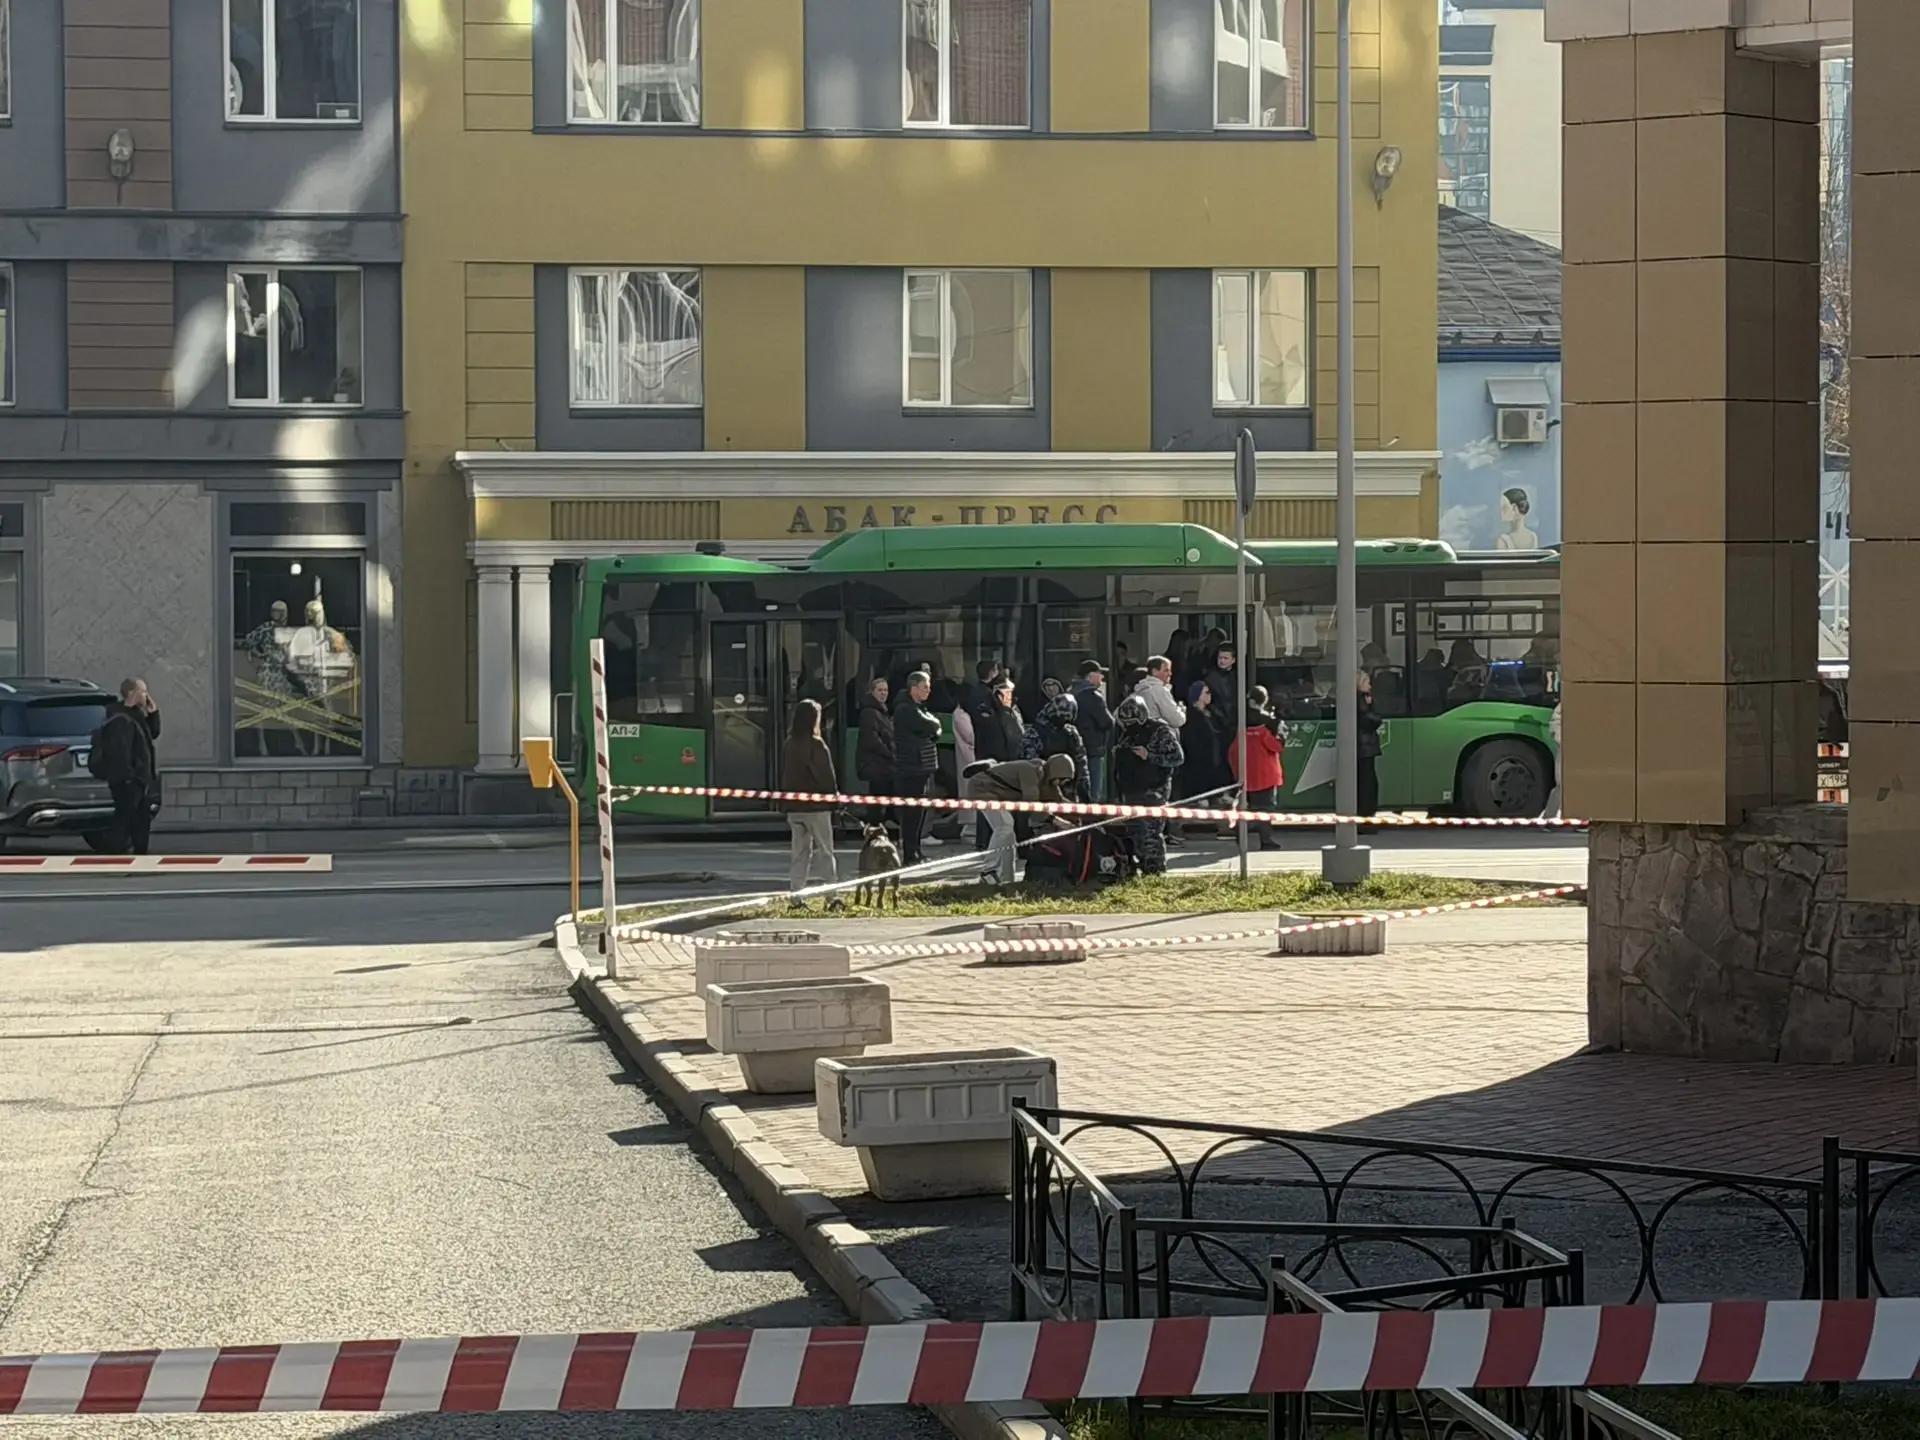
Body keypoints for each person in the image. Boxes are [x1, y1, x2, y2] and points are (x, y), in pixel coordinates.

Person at [964, 753, 1076, 885]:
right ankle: (989, 870)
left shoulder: (1044, 777)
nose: (1062, 783)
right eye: (1061, 779)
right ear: (1054, 773)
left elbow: (1060, 801)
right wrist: (1058, 821)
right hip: (981, 788)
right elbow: (1032, 805)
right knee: (1004, 825)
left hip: (995, 793)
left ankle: (1006, 877)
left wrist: (1083, 812)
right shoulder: (1029, 772)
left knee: (1009, 834)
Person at [1111, 694, 1184, 876]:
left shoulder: (1160, 731)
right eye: (1126, 722)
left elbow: (1177, 758)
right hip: (1131, 789)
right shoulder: (1126, 734)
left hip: (1154, 788)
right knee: (1135, 831)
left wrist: (1149, 756)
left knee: (1151, 833)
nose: (1129, 725)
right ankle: (1141, 864)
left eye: (1133, 721)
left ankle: (1155, 870)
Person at [95, 677, 163, 856]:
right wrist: (130, 779)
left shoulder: (136, 714)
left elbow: (152, 733)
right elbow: (120, 752)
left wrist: (153, 714)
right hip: (128, 781)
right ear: (132, 693)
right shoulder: (119, 718)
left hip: (140, 779)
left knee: (141, 821)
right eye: (143, 691)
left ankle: (140, 856)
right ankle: (116, 855)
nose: (146, 695)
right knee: (125, 820)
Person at [780, 699, 839, 899]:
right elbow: (826, 776)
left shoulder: (789, 744)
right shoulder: (816, 744)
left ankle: (796, 895)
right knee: (825, 852)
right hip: (816, 808)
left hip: (794, 808)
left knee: (799, 854)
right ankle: (831, 895)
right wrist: (835, 800)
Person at [892, 671, 942, 865]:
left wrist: (934, 728)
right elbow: (931, 725)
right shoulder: (906, 709)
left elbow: (933, 726)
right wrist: (934, 727)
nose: (928, 690)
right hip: (911, 767)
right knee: (912, 814)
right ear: (913, 688)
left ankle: (916, 851)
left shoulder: (919, 708)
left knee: (919, 812)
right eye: (924, 687)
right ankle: (910, 853)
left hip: (921, 766)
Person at [1230, 685, 1287, 849]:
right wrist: (1282, 737)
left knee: (1246, 806)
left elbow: (1232, 749)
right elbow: (1276, 746)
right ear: (1265, 701)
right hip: (1265, 773)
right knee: (1265, 808)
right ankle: (1265, 840)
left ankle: (1240, 833)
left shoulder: (1239, 721)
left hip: (1245, 771)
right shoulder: (1270, 723)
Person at [1025, 692, 1090, 802]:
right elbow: (1030, 763)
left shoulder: (1071, 733)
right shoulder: (1036, 732)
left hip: (1069, 787)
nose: (1064, 720)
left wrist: (1084, 788)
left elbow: (1081, 761)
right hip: (1044, 786)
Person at [1072, 660, 1114, 801]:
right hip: (1093, 749)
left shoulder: (1071, 692)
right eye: (1099, 673)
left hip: (1074, 748)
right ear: (1090, 676)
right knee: (1093, 791)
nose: (1102, 677)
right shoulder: (1093, 696)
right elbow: (1107, 722)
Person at [855, 676, 895, 822]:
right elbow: (871, 739)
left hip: (881, 764)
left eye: (885, 690)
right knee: (877, 802)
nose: (883, 693)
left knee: (880, 799)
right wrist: (890, 753)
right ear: (872, 692)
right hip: (876, 764)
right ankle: (874, 826)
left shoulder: (882, 712)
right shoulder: (870, 712)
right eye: (880, 690)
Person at [1131, 655, 1187, 730]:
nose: (1170, 674)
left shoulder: (1139, 690)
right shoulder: (1160, 691)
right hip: (1158, 735)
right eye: (1166, 670)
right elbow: (1177, 720)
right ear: (1154, 672)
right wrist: (1181, 710)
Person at [1357, 670, 1384, 817]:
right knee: (1368, 781)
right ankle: (1367, 811)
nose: (1370, 686)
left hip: (1363, 746)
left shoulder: (1357, 698)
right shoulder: (1361, 700)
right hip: (1364, 746)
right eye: (1367, 682)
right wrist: (1371, 706)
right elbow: (1370, 720)